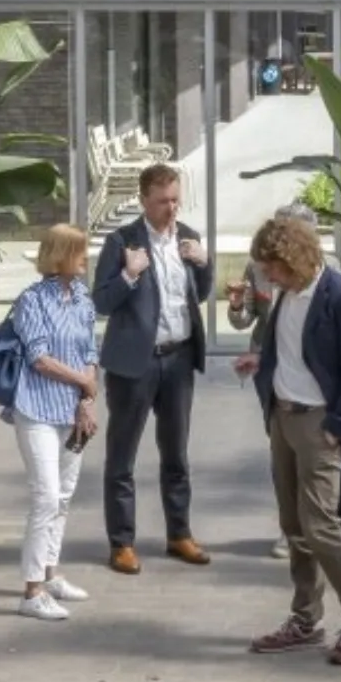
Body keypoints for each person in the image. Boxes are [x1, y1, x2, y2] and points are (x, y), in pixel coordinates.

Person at [237, 209, 341, 665]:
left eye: (273, 267)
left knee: (320, 526)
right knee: (294, 525)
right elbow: (291, 350)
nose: (268, 275)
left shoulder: (340, 297)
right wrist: (262, 367)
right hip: (282, 417)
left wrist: (339, 427)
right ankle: (306, 619)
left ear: (295, 259)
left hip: (319, 424)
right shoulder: (286, 294)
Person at [92, 161, 213, 575]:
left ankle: (179, 534)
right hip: (134, 365)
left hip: (177, 359)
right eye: (163, 201)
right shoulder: (122, 241)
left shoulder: (189, 238)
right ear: (144, 200)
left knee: (176, 454)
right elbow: (101, 302)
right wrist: (128, 274)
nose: (171, 208)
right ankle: (121, 543)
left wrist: (205, 262)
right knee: (122, 456)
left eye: (176, 199)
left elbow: (203, 292)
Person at [2, 223, 101, 623]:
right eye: (79, 251)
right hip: (37, 409)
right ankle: (31, 591)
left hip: (72, 409)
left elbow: (89, 350)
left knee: (64, 494)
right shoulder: (32, 301)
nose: (85, 258)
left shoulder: (82, 298)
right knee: (44, 496)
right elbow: (38, 357)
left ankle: (50, 572)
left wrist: (86, 398)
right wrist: (83, 381)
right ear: (60, 255)